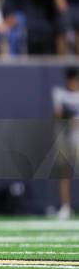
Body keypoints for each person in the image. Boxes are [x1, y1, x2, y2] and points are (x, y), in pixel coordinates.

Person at [52, 68, 79, 219]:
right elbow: (57, 115)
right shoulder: (60, 94)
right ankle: (66, 207)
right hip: (65, 139)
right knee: (64, 175)